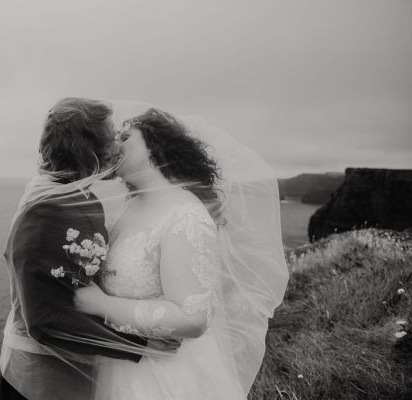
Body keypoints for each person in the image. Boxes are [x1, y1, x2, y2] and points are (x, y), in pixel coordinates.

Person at [74, 107, 290, 399]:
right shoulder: (130, 206)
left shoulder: (185, 213)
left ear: (155, 146)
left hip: (166, 377)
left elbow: (192, 317)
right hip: (124, 365)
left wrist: (99, 305)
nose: (114, 144)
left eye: (125, 137)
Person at [0, 98, 177, 400]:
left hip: (80, 372)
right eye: (110, 137)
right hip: (41, 380)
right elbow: (45, 321)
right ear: (86, 148)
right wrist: (138, 344)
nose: (118, 146)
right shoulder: (45, 212)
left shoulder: (80, 198)